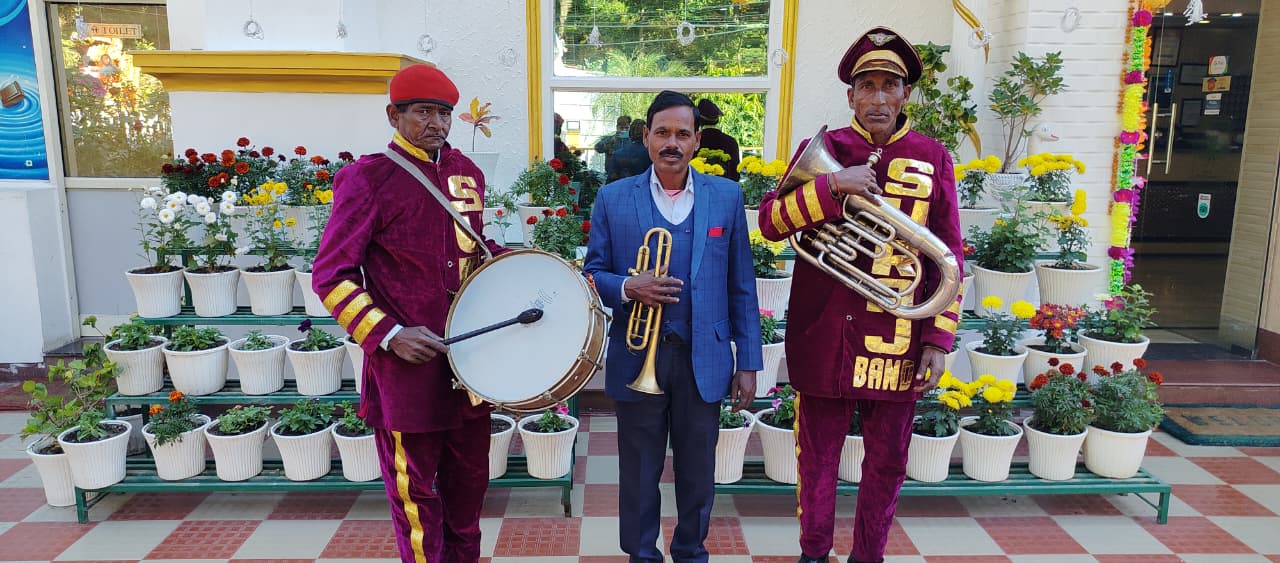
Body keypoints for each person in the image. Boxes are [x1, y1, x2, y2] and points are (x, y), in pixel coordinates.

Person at [756, 28, 964, 563]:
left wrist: (939, 338)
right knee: (817, 460)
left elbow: (952, 259)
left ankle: (868, 556)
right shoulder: (823, 151)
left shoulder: (933, 157)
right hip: (824, 334)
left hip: (898, 343)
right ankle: (814, 554)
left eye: (888, 86)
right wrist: (832, 187)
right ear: (850, 95)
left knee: (888, 464)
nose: (877, 98)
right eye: (865, 86)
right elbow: (771, 222)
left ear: (905, 95)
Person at [311, 63, 506, 563]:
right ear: (394, 115)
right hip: (405, 375)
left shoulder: (469, 173)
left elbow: (474, 254)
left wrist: (528, 270)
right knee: (416, 505)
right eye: (423, 112)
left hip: (470, 368)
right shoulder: (367, 179)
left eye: (444, 113)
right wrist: (390, 333)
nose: (436, 123)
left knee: (468, 498)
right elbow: (331, 276)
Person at [583, 90, 762, 563]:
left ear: (697, 141)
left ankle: (690, 551)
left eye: (682, 134)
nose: (672, 143)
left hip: (704, 356)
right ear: (645, 137)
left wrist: (749, 362)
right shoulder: (613, 197)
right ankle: (642, 554)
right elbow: (592, 273)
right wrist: (627, 286)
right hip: (639, 354)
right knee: (639, 471)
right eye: (662, 132)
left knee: (698, 470)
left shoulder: (726, 196)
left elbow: (741, 284)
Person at [694, 99, 741, 181]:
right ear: (717, 120)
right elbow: (736, 174)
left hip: (697, 189)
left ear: (699, 121)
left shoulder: (693, 141)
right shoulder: (731, 142)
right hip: (725, 189)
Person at [595, 115, 633, 182]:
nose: (624, 130)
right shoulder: (610, 139)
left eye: (627, 128)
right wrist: (611, 141)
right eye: (621, 128)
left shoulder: (633, 141)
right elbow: (597, 148)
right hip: (612, 176)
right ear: (617, 127)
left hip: (628, 177)